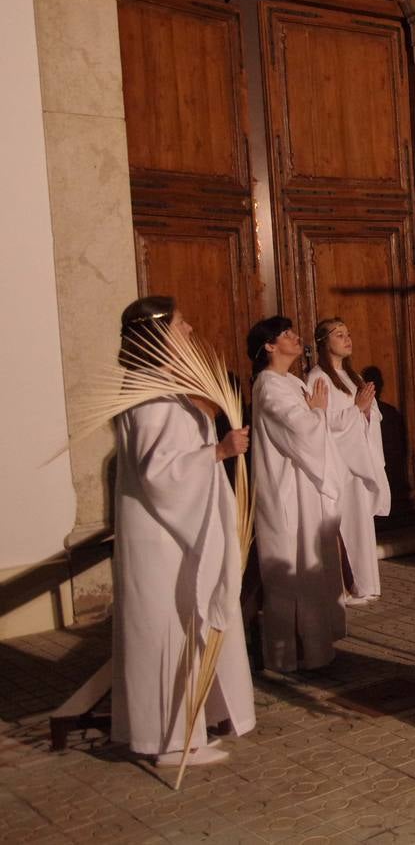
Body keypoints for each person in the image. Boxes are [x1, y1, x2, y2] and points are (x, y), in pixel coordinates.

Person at [111, 296, 255, 766]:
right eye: (180, 323)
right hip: (163, 536)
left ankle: (190, 726)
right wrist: (218, 451)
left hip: (173, 529)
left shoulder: (159, 388)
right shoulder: (150, 394)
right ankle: (169, 740)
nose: (190, 329)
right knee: (167, 630)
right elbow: (159, 473)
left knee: (182, 627)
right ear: (158, 335)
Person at [248, 316, 345, 671]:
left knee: (311, 562)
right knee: (291, 566)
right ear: (269, 346)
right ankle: (287, 653)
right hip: (287, 491)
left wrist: (316, 414)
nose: (294, 336)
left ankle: (316, 645)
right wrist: (316, 413)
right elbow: (300, 431)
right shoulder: (269, 386)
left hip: (305, 487)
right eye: (285, 334)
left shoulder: (291, 381)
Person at [307, 318, 390, 604]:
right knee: (345, 525)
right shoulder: (318, 378)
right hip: (340, 463)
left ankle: (365, 583)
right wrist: (356, 409)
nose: (347, 338)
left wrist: (365, 413)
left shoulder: (352, 377)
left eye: (348, 333)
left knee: (361, 524)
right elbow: (320, 422)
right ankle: (346, 584)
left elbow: (373, 416)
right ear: (323, 342)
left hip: (359, 460)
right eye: (339, 334)